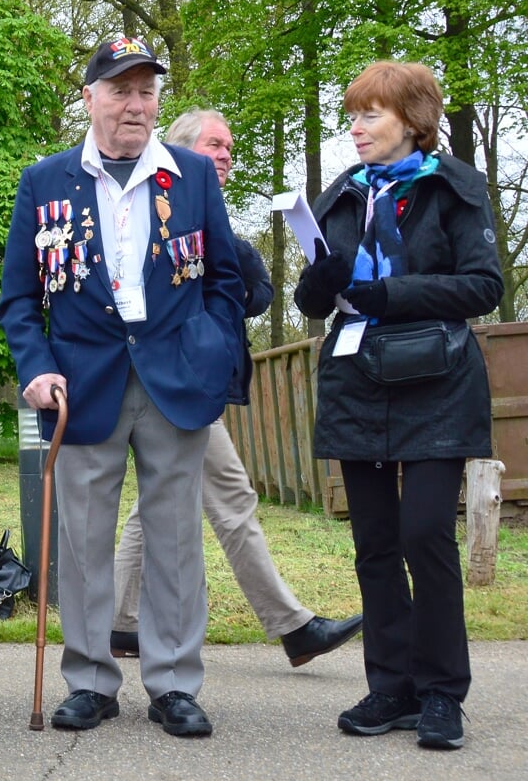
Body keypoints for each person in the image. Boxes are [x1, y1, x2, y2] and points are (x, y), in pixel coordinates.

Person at [0, 36, 243, 738]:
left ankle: (172, 682)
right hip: (80, 384)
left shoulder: (191, 175)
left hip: (175, 380)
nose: (135, 105)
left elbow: (224, 280)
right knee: (80, 539)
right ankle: (90, 680)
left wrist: (214, 345)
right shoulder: (44, 180)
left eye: (145, 91)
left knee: (172, 537)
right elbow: (18, 298)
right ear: (89, 98)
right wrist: (34, 367)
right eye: (120, 90)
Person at [293, 62, 502, 750]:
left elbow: (481, 286)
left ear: (411, 121)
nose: (353, 128)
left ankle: (441, 692)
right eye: (351, 115)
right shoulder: (339, 196)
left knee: (423, 535)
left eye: (369, 115)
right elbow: (311, 301)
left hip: (436, 382)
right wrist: (316, 287)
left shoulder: (452, 188)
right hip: (356, 383)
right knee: (375, 543)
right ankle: (391, 686)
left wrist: (391, 295)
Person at [110, 109, 364, 666]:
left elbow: (254, 290)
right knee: (233, 500)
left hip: (187, 383)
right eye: (215, 145)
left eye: (229, 147)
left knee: (156, 505)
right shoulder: (163, 209)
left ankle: (121, 622)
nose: (226, 155)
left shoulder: (205, 208)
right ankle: (292, 625)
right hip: (172, 382)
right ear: (181, 152)